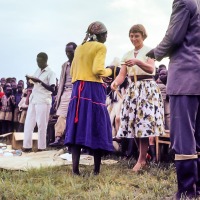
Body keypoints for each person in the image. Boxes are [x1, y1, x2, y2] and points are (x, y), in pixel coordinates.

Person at [146, 0, 200, 198]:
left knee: (184, 135)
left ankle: (187, 191)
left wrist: (155, 52)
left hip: (185, 75)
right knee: (198, 135)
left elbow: (174, 36)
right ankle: (197, 186)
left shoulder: (183, 2)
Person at [111, 24, 164, 172]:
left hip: (146, 87)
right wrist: (115, 82)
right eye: (131, 36)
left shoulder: (149, 51)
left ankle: (141, 160)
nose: (134, 39)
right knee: (133, 124)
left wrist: (138, 62)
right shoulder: (127, 54)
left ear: (143, 36)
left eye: (137, 36)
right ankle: (144, 155)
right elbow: (122, 75)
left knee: (144, 124)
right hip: (133, 89)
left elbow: (151, 69)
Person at [64, 21, 113, 175]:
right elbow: (98, 69)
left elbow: (73, 71)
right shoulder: (101, 47)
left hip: (77, 90)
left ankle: (75, 170)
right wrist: (110, 71)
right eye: (105, 34)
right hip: (93, 90)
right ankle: (96, 170)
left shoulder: (79, 48)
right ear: (100, 35)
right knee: (97, 125)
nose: (106, 37)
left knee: (77, 126)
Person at [23, 52, 56, 152]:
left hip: (43, 100)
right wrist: (29, 80)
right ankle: (27, 146)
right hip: (34, 99)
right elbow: (34, 83)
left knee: (42, 125)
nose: (38, 63)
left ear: (45, 61)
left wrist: (40, 82)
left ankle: (41, 147)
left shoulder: (51, 72)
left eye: (40, 61)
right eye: (37, 61)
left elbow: (53, 89)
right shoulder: (37, 70)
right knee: (28, 123)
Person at [49, 42, 77, 147]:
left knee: (74, 117)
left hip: (76, 92)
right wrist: (58, 96)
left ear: (76, 51)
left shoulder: (80, 63)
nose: (68, 54)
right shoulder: (64, 65)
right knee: (61, 116)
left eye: (70, 51)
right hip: (65, 92)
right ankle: (58, 138)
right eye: (66, 52)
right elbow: (61, 81)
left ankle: (71, 140)